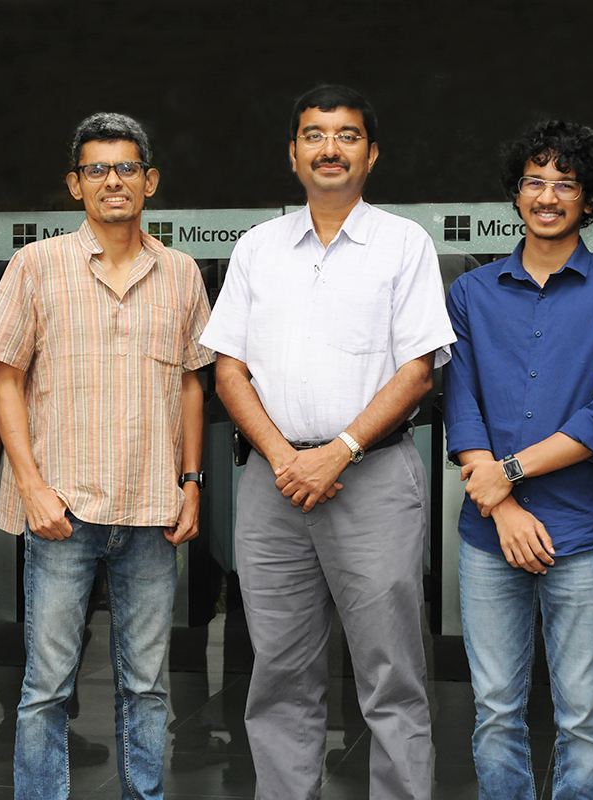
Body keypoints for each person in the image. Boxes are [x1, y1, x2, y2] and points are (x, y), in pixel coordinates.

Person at [199, 84, 454, 800]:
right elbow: (228, 369)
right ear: (293, 153)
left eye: (347, 136)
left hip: (371, 478)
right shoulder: (257, 248)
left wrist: (338, 450)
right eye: (314, 135)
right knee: (278, 671)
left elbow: (417, 371)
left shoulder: (403, 243)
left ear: (371, 154)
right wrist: (286, 458)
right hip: (272, 483)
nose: (330, 148)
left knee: (391, 673)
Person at [0, 112, 213, 800]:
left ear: (150, 181)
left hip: (151, 510)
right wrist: (30, 485)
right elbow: (4, 379)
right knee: (46, 685)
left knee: (148, 684)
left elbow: (192, 383)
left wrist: (192, 481)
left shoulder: (181, 273)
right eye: (97, 169)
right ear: (75, 184)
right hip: (62, 511)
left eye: (127, 167)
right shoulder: (36, 265)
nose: (114, 181)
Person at [445, 119, 593, 799]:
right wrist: (502, 505)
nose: (547, 196)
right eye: (534, 181)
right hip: (489, 535)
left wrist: (509, 475)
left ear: (590, 200)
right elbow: (461, 404)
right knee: (496, 708)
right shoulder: (472, 292)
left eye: (566, 184)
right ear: (515, 193)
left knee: (583, 714)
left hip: (582, 532)